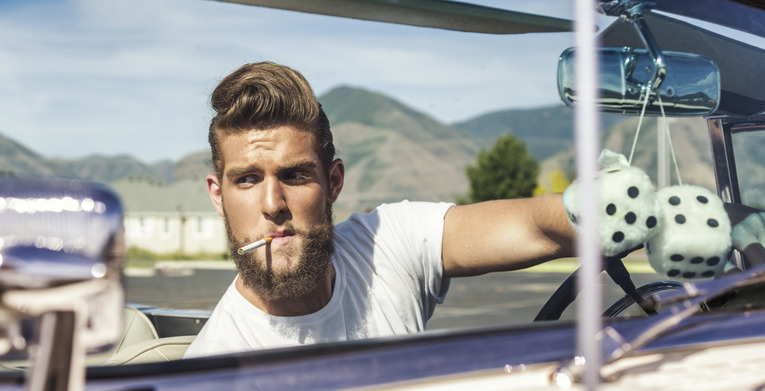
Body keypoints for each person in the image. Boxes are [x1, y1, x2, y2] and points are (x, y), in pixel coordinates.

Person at [183, 62, 576, 357]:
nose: (272, 205)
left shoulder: (386, 243)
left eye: (295, 176)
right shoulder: (212, 365)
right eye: (247, 180)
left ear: (334, 183)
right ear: (218, 196)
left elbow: (536, 226)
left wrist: (594, 209)